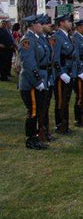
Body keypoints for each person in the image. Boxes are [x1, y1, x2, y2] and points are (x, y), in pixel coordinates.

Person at [18, 15, 48, 149]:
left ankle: (35, 136)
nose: (42, 26)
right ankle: (30, 138)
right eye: (40, 24)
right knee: (33, 110)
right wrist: (37, 81)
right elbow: (29, 64)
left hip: (37, 80)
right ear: (33, 25)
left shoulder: (37, 39)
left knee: (38, 109)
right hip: (30, 83)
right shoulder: (27, 41)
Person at [52, 13, 77, 134]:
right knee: (61, 101)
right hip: (62, 74)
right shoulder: (57, 37)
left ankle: (65, 124)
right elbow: (55, 58)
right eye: (68, 21)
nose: (70, 23)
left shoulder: (68, 36)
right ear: (61, 22)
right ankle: (60, 125)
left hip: (69, 72)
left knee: (66, 100)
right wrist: (60, 73)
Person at [38, 14, 56, 141]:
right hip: (41, 75)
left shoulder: (45, 38)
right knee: (40, 107)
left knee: (46, 105)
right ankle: (40, 132)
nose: (50, 26)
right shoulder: (35, 40)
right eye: (47, 23)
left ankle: (45, 131)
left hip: (48, 75)